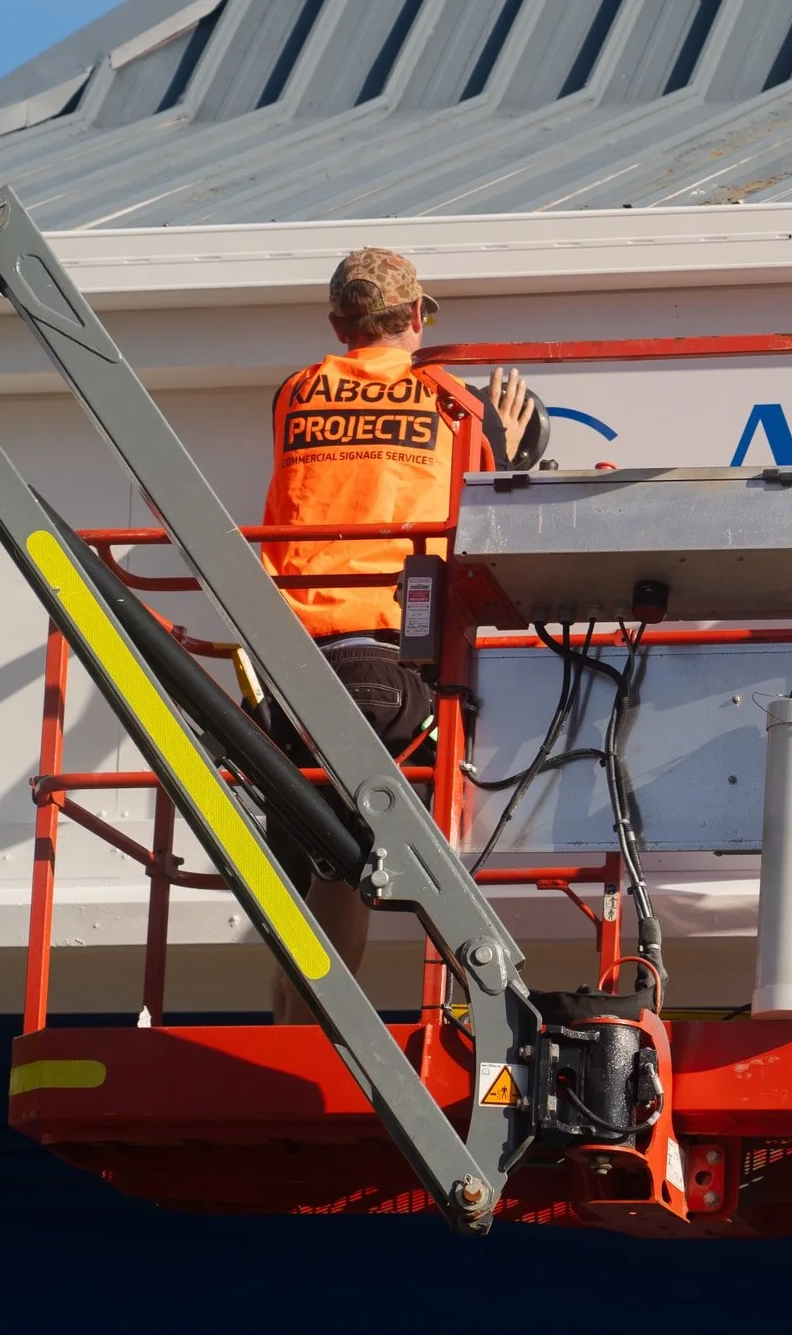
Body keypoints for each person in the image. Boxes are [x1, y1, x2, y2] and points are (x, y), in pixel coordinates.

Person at [259, 246, 532, 1023]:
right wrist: (504, 447)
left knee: (307, 852)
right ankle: (319, 1028)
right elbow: (485, 516)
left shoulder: (295, 393)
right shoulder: (452, 404)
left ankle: (291, 1021)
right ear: (416, 318)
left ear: (338, 322)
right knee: (352, 852)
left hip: (289, 661)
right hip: (389, 660)